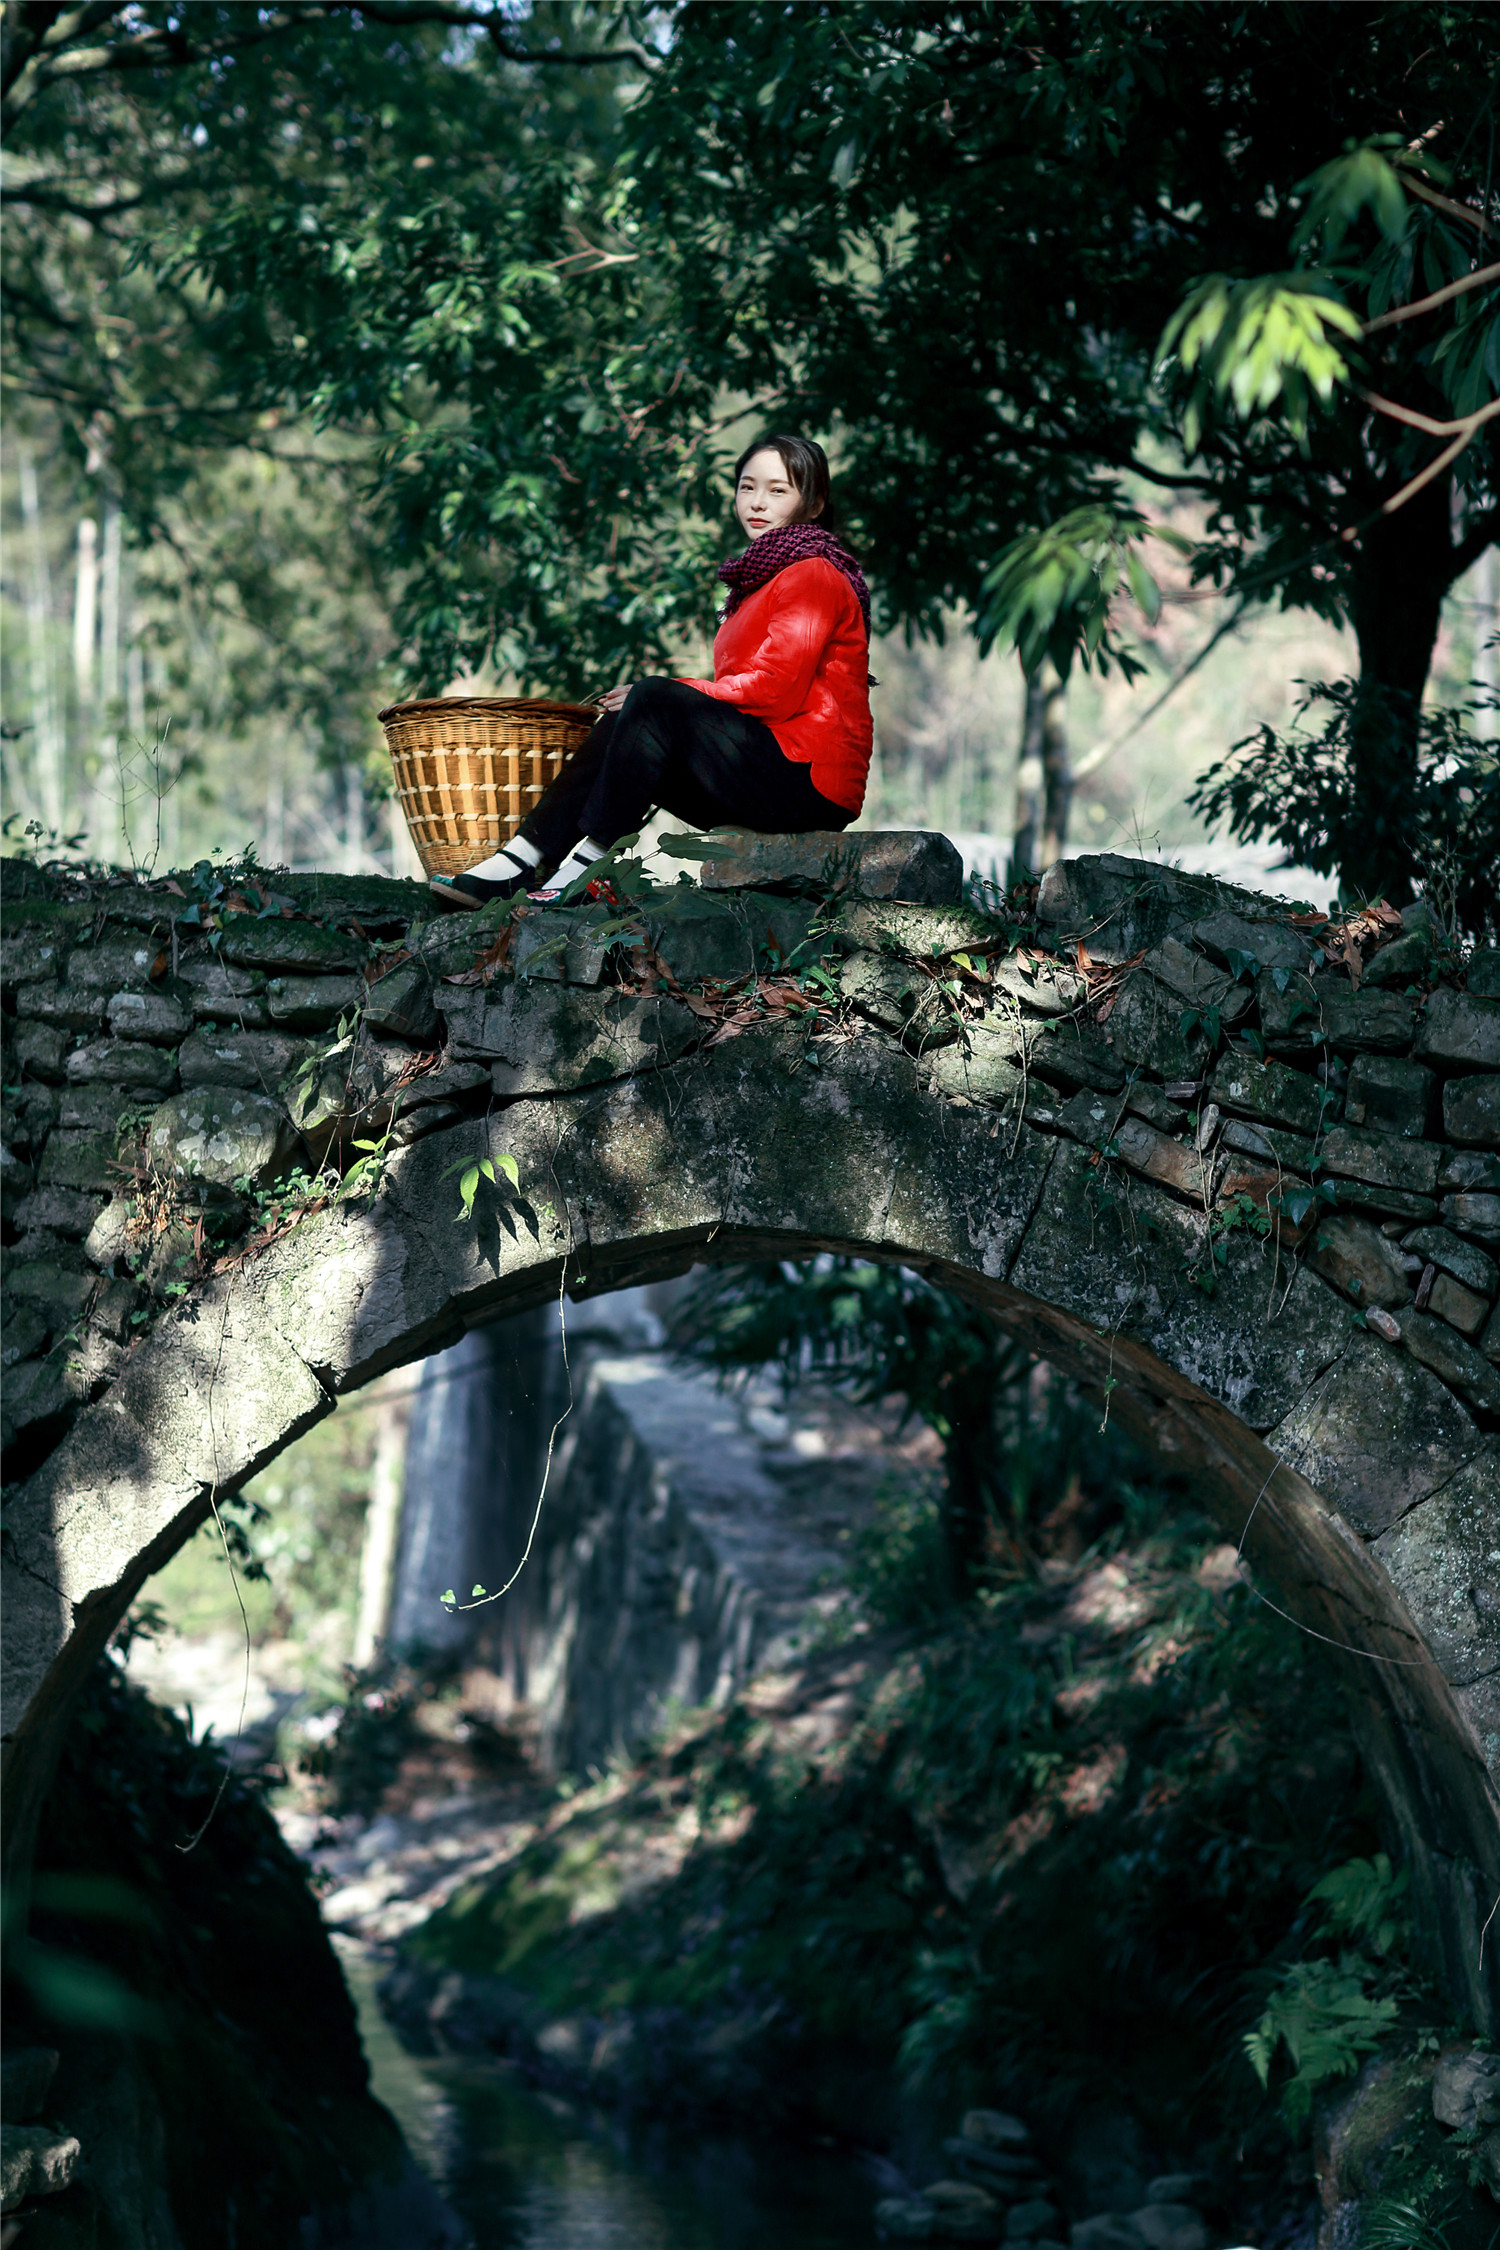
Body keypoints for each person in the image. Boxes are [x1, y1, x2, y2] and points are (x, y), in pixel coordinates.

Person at [429, 434, 873, 908]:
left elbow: (775, 691)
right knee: (630, 716)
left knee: (653, 699)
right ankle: (525, 857)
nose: (757, 503)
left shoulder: (813, 574)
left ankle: (586, 867)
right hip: (763, 768)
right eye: (747, 487)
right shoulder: (758, 582)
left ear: (814, 503)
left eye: (778, 490)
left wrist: (671, 693)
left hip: (805, 783)